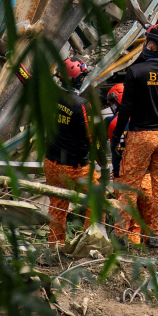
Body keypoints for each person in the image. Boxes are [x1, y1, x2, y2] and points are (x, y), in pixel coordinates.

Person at [111, 24, 158, 248]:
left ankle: (121, 235)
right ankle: (156, 235)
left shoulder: (136, 72)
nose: (146, 45)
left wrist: (117, 136)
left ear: (154, 45)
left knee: (130, 185)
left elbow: (125, 110)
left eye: (148, 41)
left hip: (141, 135)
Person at [43, 57, 95, 245]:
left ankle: (54, 247)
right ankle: (89, 245)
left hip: (51, 162)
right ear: (76, 79)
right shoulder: (80, 104)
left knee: (57, 206)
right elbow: (89, 137)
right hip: (76, 166)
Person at [105, 81, 151, 244]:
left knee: (127, 216)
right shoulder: (146, 119)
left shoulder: (110, 122)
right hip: (144, 174)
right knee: (146, 217)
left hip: (122, 176)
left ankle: (130, 247)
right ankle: (143, 246)